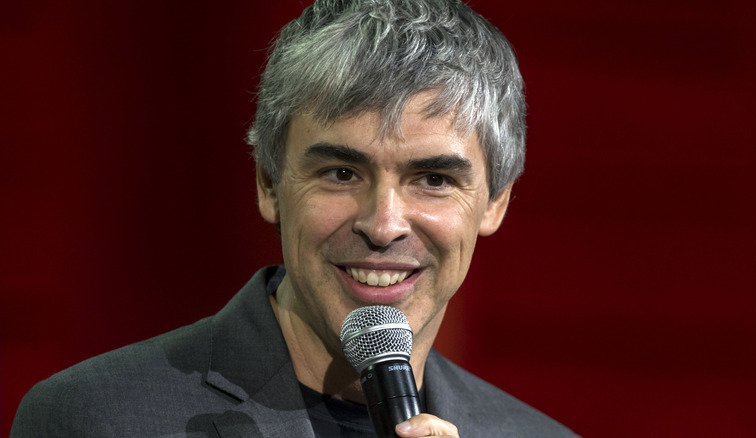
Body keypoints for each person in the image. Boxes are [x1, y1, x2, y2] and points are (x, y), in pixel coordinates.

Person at [12, 0, 580, 436]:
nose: (383, 226)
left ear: (496, 202)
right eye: (341, 173)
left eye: (433, 180)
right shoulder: (98, 419)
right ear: (269, 184)